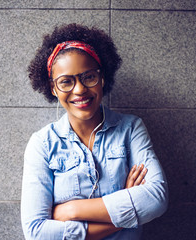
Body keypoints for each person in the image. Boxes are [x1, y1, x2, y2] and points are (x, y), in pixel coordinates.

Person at [21, 23, 168, 240]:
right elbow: (36, 233)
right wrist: (124, 209)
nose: (79, 90)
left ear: (102, 77)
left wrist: (71, 210)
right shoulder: (42, 143)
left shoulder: (131, 129)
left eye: (88, 77)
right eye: (66, 82)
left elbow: (156, 199)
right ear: (53, 89)